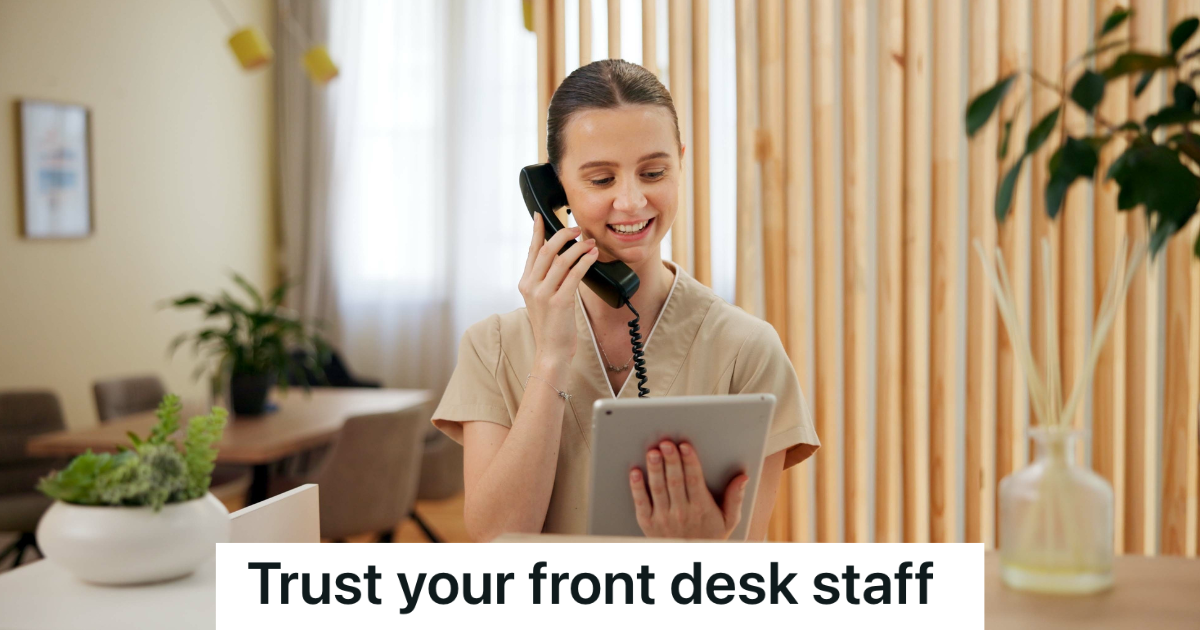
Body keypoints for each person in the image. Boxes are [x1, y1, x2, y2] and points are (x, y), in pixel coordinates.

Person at [431, 59, 819, 541]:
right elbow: (495, 547)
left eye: (654, 172)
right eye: (601, 180)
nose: (632, 201)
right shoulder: (491, 347)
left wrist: (703, 553)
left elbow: (747, 582)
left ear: (681, 162)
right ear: (554, 188)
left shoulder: (747, 350)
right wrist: (551, 359)